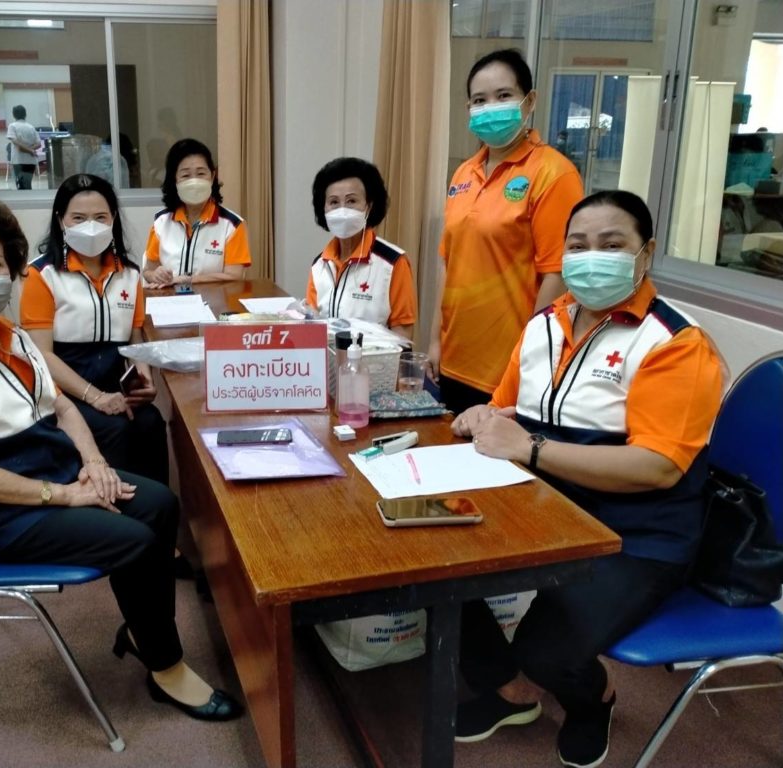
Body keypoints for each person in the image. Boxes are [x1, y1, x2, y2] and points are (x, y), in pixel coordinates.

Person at [0, 188, 242, 723]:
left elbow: (63, 407)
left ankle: (144, 634)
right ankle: (166, 666)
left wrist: (93, 464)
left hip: (48, 471)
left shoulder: (8, 335)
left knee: (160, 505)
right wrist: (66, 496)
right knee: (137, 541)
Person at [450, 190, 723, 768]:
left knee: (546, 651)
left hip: (636, 535)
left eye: (611, 244)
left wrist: (531, 448)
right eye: (577, 245)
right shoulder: (544, 325)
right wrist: (483, 415)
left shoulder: (674, 342)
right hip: (547, 507)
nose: (591, 256)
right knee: (432, 566)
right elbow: (505, 407)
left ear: (646, 253)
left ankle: (592, 699)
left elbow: (658, 466)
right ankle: (511, 690)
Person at [430, 49, 585, 414]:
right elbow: (448, 262)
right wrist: (434, 340)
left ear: (529, 101)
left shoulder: (553, 173)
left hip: (507, 369)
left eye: (503, 96)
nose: (491, 108)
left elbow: (557, 274)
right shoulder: (464, 173)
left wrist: (528, 358)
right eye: (480, 100)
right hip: (454, 358)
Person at [20, 174, 169, 486]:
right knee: (115, 429)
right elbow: (42, 354)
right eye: (78, 218)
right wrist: (96, 397)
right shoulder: (41, 275)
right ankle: (117, 504)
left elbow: (135, 339)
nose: (91, 225)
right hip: (64, 392)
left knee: (151, 421)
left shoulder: (130, 274)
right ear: (61, 221)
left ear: (113, 219)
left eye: (100, 217)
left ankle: (158, 505)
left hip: (115, 385)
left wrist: (144, 381)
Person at [306, 157, 417, 338]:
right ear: (323, 208)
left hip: (376, 357)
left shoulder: (393, 263)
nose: (342, 210)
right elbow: (312, 323)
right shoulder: (319, 265)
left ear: (369, 206)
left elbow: (403, 333)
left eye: (351, 201)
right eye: (333, 202)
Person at [143, 138, 251, 287]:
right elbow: (148, 271)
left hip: (215, 300)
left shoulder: (232, 225)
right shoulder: (161, 222)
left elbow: (235, 276)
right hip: (170, 299)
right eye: (185, 176)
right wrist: (155, 275)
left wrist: (187, 280)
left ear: (212, 177)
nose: (194, 182)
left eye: (201, 174)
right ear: (175, 180)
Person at [6, 105, 41, 191]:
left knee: (21, 187)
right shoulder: (31, 127)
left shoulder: (12, 126)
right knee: (27, 185)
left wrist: (28, 150)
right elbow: (39, 144)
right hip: (31, 161)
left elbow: (15, 141)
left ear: (14, 115)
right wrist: (30, 150)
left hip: (18, 161)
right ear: (25, 114)